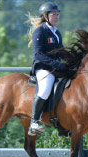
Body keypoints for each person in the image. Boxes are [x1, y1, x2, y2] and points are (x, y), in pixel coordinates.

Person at [27, 2, 65, 136]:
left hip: (56, 68)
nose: (56, 17)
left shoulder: (57, 32)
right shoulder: (40, 31)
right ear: (45, 16)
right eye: (53, 14)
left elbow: (61, 52)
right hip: (43, 68)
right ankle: (34, 123)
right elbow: (38, 55)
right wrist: (57, 64)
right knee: (44, 89)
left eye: (57, 14)